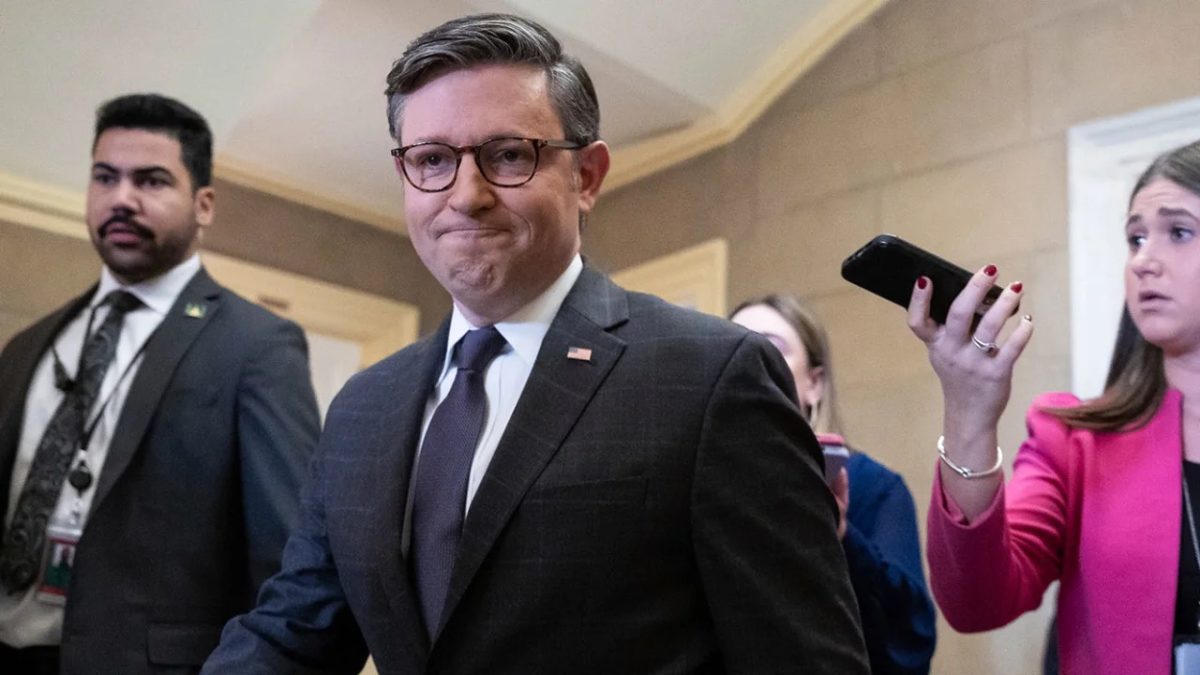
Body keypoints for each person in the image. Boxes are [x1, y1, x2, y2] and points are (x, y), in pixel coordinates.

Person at [202, 13, 868, 675]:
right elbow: (294, 634)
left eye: (509, 155)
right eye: (432, 160)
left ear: (587, 176)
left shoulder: (712, 376)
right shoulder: (362, 408)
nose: (467, 194)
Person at [0, 93, 321, 674]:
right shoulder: (29, 345)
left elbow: (291, 563)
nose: (121, 199)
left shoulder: (258, 347)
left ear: (203, 204)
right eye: (105, 178)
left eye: (150, 181)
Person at [910, 139, 1200, 674]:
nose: (1143, 261)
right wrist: (969, 413)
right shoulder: (1073, 439)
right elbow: (977, 603)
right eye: (1135, 239)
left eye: (1178, 232)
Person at [731, 294, 936, 675]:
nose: (747, 361)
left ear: (815, 383)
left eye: (770, 348)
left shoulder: (873, 486)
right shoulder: (704, 488)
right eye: (734, 346)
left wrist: (841, 535)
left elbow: (910, 644)